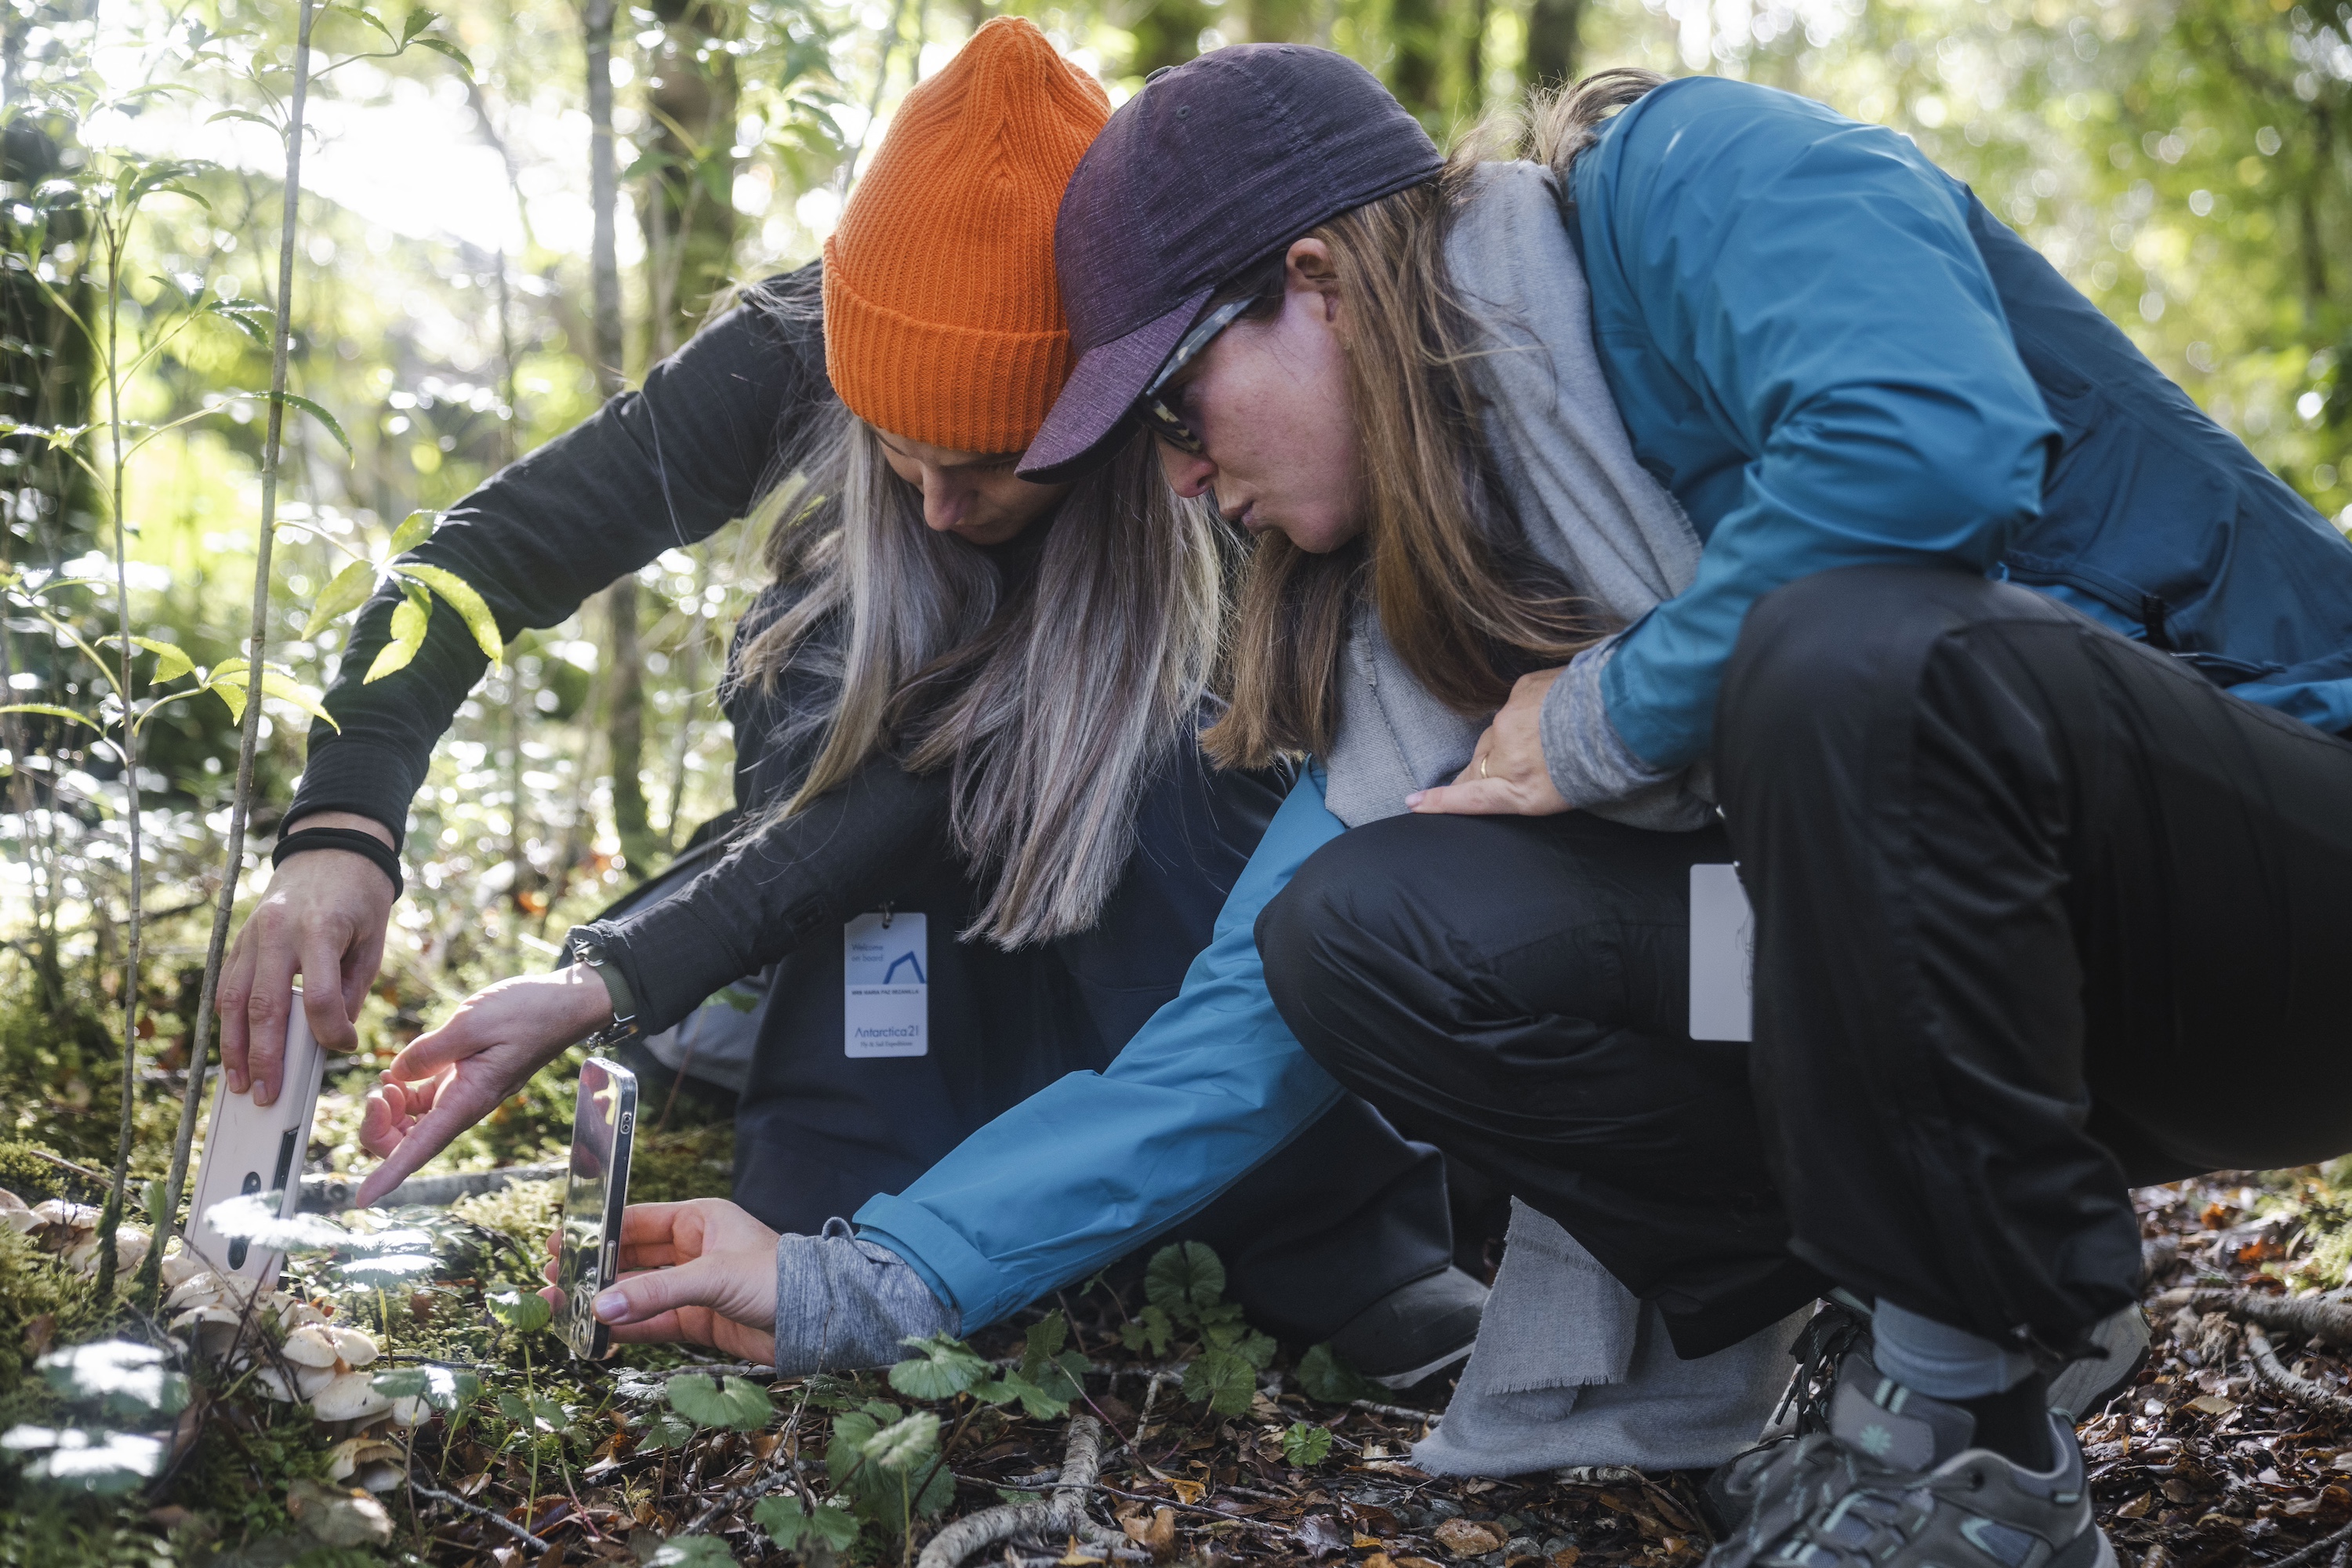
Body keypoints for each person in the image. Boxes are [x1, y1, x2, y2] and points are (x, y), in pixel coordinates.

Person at [220, 19, 1483, 1381]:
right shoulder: (799, 343)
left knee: (1184, 762)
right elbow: (484, 558)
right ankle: (848, 1168)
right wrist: (341, 831)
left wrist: (617, 974)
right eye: (898, 449)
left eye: (994, 463)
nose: (938, 504)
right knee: (813, 668)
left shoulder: (1211, 430)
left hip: (1135, 885)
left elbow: (952, 765)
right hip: (878, 908)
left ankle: (1331, 1238)